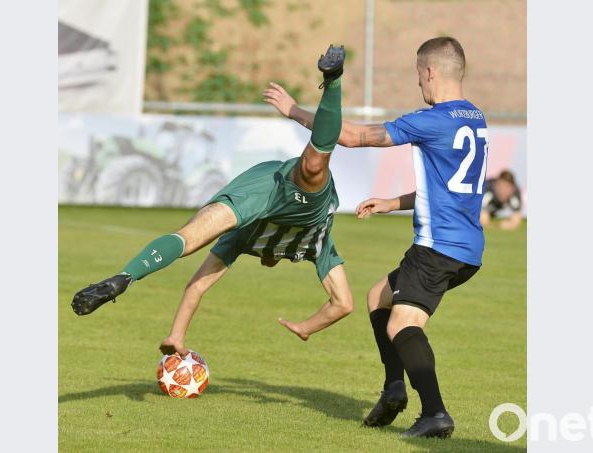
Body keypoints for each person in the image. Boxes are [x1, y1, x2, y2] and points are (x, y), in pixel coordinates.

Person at [264, 37, 487, 438]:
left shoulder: (430, 119)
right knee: (378, 297)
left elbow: (351, 136)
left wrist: (294, 111)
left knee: (402, 324)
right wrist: (392, 202)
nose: (419, 82)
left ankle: (435, 413)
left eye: (419, 74)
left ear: (430, 72)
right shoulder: (474, 117)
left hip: (438, 247)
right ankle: (393, 390)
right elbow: (450, 188)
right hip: (467, 247)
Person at [72, 45, 354, 357]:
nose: (268, 261)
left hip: (258, 188)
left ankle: (126, 276)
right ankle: (334, 79)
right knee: (315, 164)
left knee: (187, 239)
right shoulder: (317, 246)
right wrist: (306, 327)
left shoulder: (245, 239)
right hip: (287, 197)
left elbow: (197, 286)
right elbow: (342, 304)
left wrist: (176, 335)